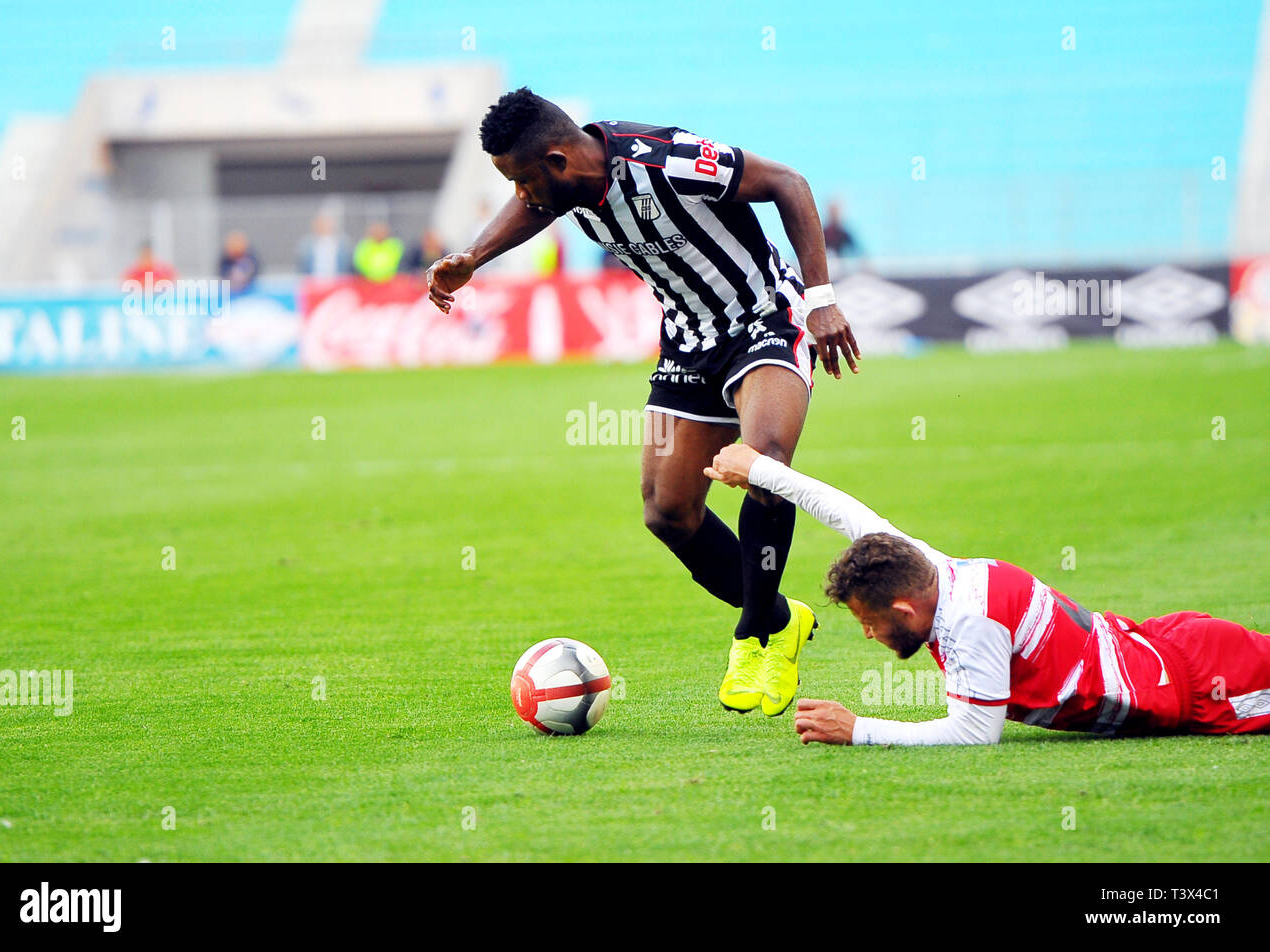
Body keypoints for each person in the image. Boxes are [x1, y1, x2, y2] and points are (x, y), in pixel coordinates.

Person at [425, 87, 860, 717]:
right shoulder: (565, 184)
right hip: (688, 340)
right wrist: (474, 257)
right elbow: (537, 210)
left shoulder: (668, 160)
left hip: (766, 318)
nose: (520, 197)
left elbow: (788, 183)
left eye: (522, 181)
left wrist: (821, 300)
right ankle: (777, 616)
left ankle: (752, 637)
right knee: (668, 512)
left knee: (763, 462)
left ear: (556, 161)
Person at [703, 442, 1270, 744]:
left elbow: (975, 731)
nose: (868, 634)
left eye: (869, 621)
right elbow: (849, 513)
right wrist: (760, 470)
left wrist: (859, 731)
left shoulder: (970, 620)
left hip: (1204, 685)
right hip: (1160, 644)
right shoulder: (927, 568)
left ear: (904, 608)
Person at [220, 230, 259, 295]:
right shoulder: (225, 260)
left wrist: (246, 276)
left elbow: (256, 270)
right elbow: (221, 272)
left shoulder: (250, 259)